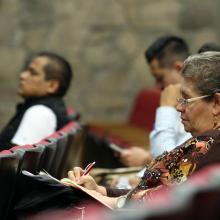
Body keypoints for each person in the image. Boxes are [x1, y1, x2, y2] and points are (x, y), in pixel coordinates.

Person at [67, 51, 220, 209]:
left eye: (186, 99)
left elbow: (166, 205)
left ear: (216, 103)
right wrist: (101, 190)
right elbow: (149, 192)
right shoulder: (206, 140)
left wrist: (106, 199)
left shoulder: (212, 146)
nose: (179, 107)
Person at [120, 36, 191, 168]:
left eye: (160, 78)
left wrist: (145, 160)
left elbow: (171, 168)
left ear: (179, 68)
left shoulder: (198, 105)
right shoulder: (180, 101)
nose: (157, 86)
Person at [0, 51, 73, 149]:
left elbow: (15, 162)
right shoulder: (47, 107)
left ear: (52, 85)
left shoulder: (39, 113)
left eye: (33, 73)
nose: (23, 76)